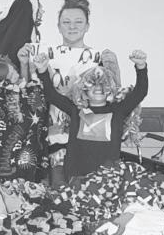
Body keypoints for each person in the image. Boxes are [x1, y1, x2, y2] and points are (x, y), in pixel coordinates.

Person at [34, 48, 148, 179]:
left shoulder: (118, 111)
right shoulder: (75, 110)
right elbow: (51, 95)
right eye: (92, 84)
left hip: (108, 177)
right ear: (84, 91)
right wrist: (42, 70)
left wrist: (141, 67)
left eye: (103, 84)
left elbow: (140, 92)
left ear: (110, 90)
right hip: (76, 176)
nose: (98, 88)